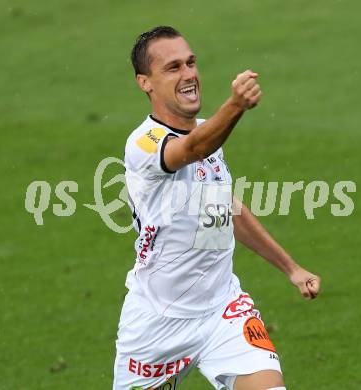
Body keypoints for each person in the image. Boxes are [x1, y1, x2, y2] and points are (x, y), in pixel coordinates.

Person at [113, 26, 321, 390]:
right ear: (145, 83)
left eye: (191, 63)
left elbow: (224, 209)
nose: (189, 74)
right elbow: (192, 149)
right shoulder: (143, 144)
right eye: (173, 67)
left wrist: (291, 267)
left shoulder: (210, 133)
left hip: (224, 310)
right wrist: (236, 106)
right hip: (157, 323)